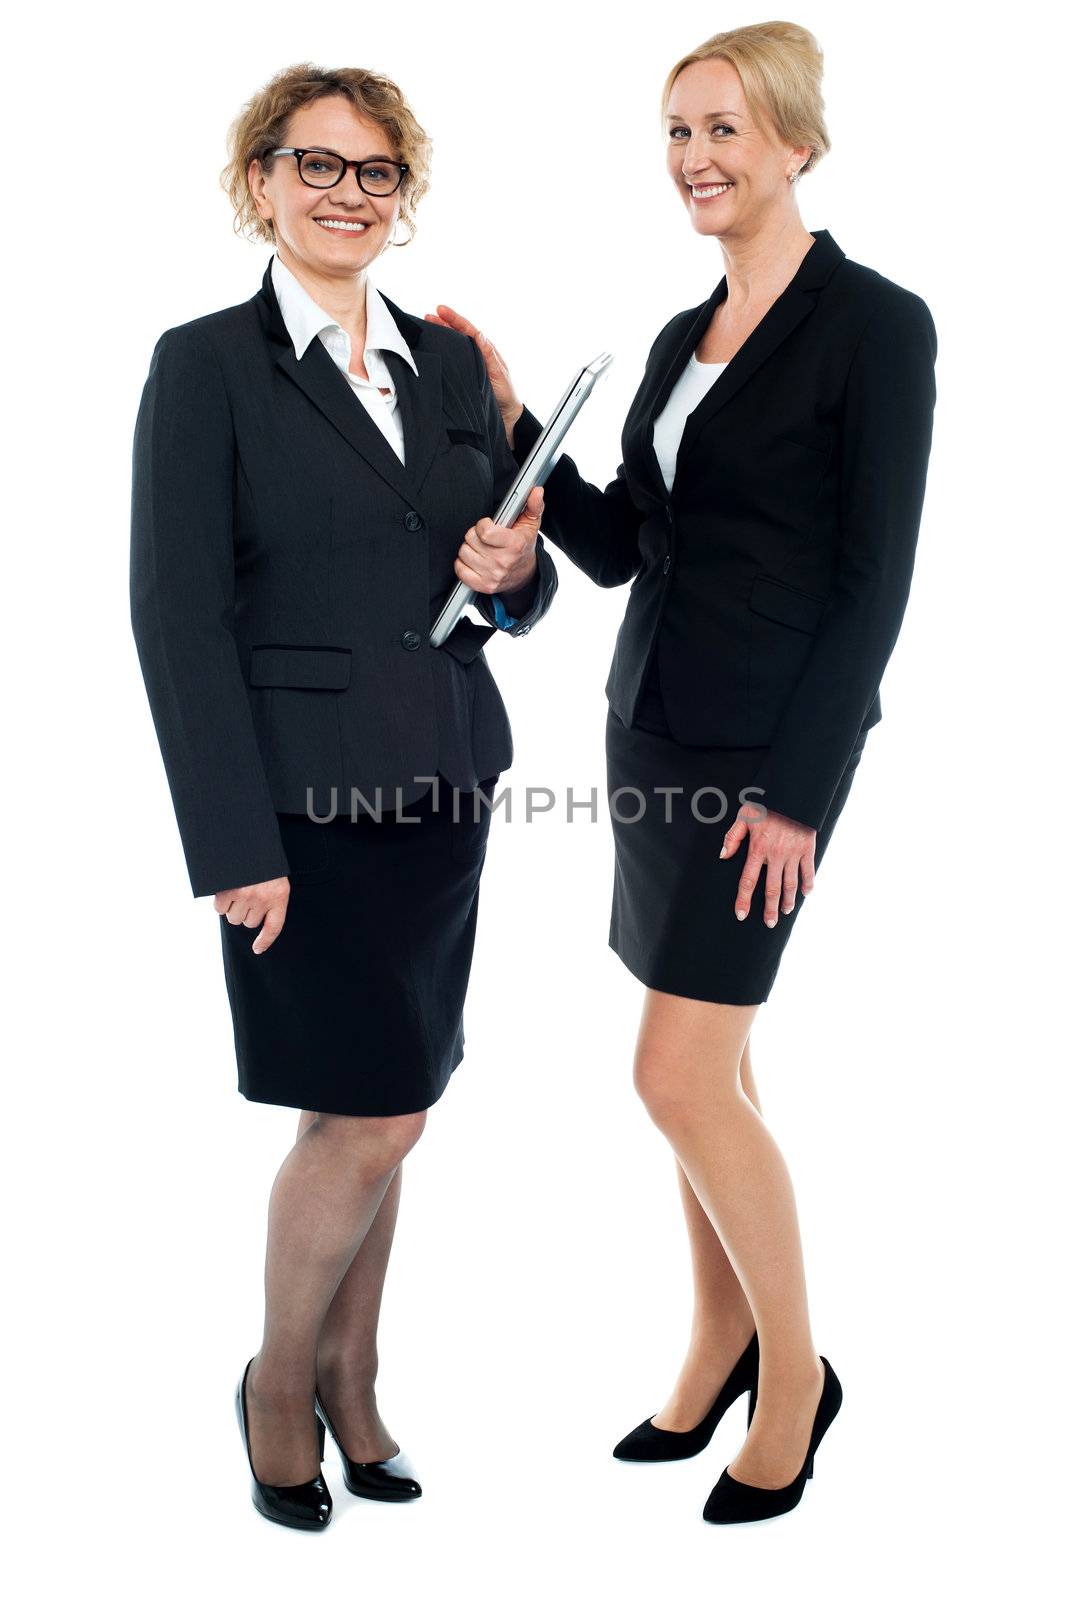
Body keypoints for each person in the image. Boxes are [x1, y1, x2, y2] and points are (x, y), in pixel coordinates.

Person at [431, 21, 937, 1524]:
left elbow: (874, 579)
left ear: (795, 143)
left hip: (761, 758)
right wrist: (518, 420)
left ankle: (795, 1377)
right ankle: (718, 1334)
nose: (697, 159)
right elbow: (628, 543)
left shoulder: (873, 323)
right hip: (649, 727)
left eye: (724, 129)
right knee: (711, 1071)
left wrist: (797, 790)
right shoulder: (676, 335)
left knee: (671, 1075)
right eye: (675, 132)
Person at [129, 62, 557, 1531]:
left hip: (442, 785)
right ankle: (275, 1383)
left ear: (402, 195)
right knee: (361, 1121)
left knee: (395, 1105)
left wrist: (515, 577)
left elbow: (512, 569)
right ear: (260, 181)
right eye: (316, 165)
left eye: (375, 172)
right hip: (302, 811)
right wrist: (232, 844)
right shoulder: (205, 365)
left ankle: (354, 1374)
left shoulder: (444, 364)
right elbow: (177, 618)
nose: (345, 193)